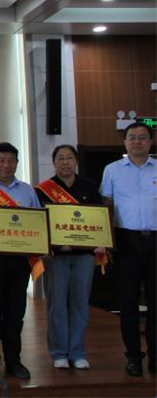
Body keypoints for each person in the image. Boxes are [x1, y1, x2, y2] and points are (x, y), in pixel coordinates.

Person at [0, 142, 42, 379]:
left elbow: (37, 222)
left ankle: (14, 360)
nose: (6, 165)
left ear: (17, 163)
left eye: (11, 160)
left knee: (15, 312)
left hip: (19, 260)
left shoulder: (27, 191)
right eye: (1, 160)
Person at [35, 144, 104, 371]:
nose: (65, 162)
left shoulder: (89, 187)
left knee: (79, 303)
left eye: (69, 158)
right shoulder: (43, 190)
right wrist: (52, 243)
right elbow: (39, 223)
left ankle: (77, 352)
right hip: (56, 256)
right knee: (56, 304)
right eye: (60, 158)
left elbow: (98, 219)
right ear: (54, 162)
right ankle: (59, 353)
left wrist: (100, 241)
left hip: (84, 255)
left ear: (75, 161)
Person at [100, 122, 157, 377]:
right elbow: (106, 207)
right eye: (132, 137)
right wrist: (107, 241)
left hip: (155, 242)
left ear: (150, 141)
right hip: (126, 242)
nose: (137, 142)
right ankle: (133, 356)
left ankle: (155, 357)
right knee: (128, 304)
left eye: (142, 137)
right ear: (124, 142)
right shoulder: (112, 170)